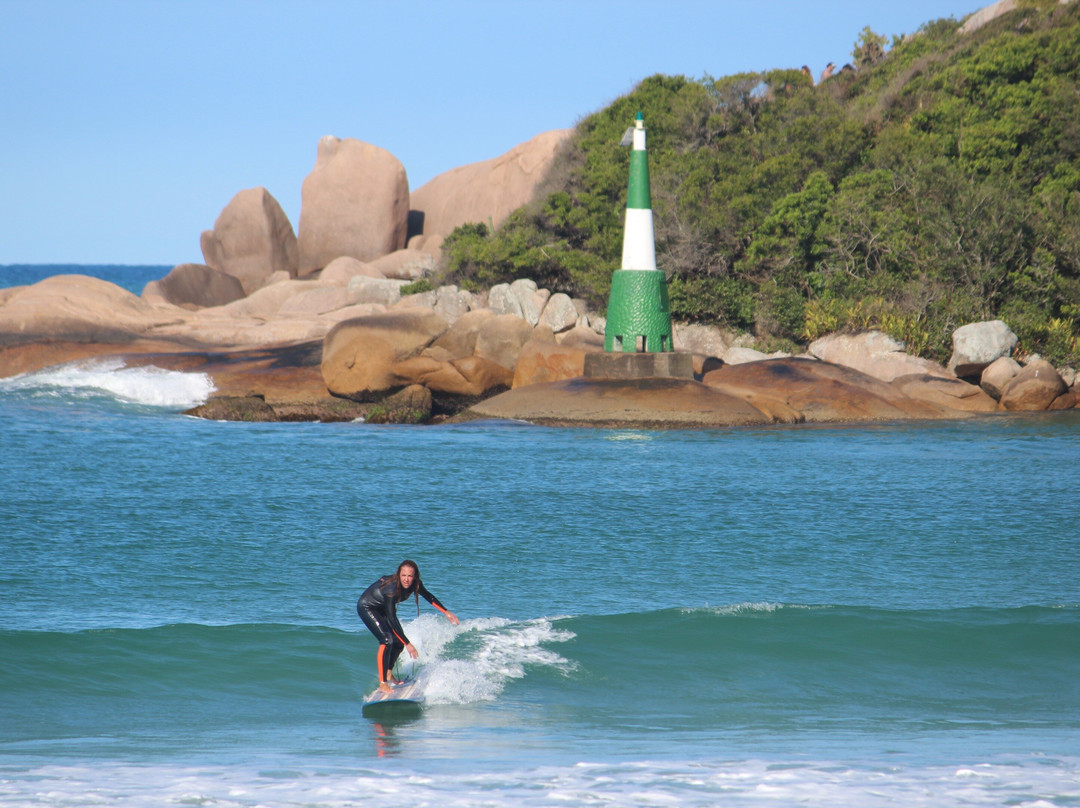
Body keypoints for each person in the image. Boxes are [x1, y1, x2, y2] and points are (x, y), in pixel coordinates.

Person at [357, 559, 458, 693]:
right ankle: (383, 683)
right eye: (403, 575)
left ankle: (388, 673)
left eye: (410, 576)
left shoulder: (415, 584)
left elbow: (428, 595)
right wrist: (408, 644)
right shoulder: (391, 589)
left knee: (397, 643)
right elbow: (392, 619)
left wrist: (445, 612)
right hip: (367, 607)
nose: (406, 579)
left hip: (382, 608)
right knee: (387, 641)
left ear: (415, 577)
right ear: (399, 575)